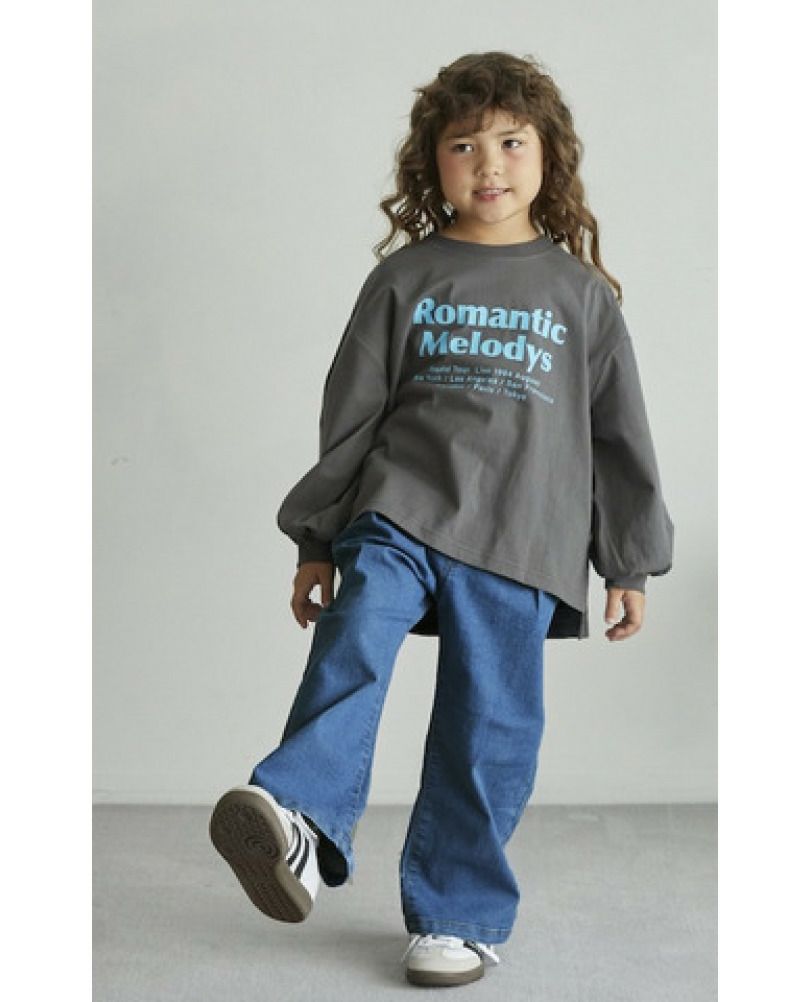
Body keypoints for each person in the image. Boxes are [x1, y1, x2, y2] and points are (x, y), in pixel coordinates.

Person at [209, 50, 674, 988]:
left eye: (511, 141)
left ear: (550, 156)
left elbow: (619, 433)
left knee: (487, 726)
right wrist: (317, 539)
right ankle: (299, 819)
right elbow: (351, 416)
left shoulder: (581, 297)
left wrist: (626, 559)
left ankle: (456, 914)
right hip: (400, 508)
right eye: (464, 145)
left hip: (522, 535)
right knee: (353, 639)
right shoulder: (406, 277)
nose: (488, 163)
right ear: (432, 162)